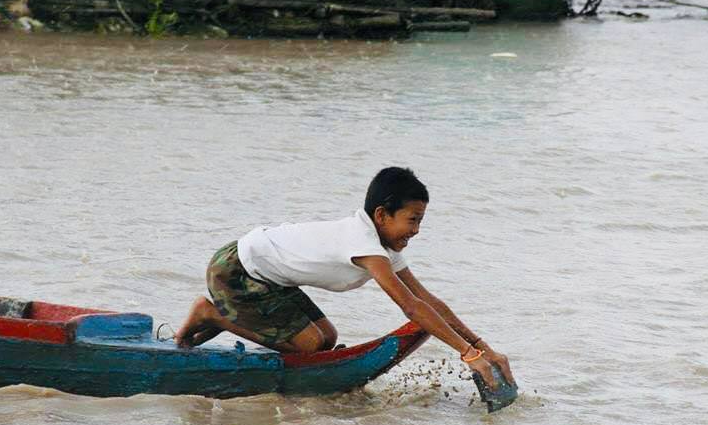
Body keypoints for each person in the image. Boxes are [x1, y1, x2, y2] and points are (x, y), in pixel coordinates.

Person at [175, 166, 514, 388]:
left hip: (267, 276)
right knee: (308, 345)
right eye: (412, 220)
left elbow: (428, 301)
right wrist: (468, 355)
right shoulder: (365, 245)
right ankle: (213, 314)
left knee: (325, 337)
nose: (417, 230)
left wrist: (484, 348)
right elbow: (411, 308)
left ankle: (216, 317)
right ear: (382, 215)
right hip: (236, 271)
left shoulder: (382, 246)